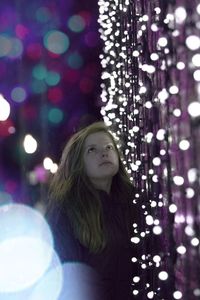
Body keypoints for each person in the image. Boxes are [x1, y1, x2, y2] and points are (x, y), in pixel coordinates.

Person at [46, 121, 139, 300]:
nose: (104, 152)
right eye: (92, 150)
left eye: (109, 147)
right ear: (78, 162)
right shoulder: (67, 209)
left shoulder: (131, 201)